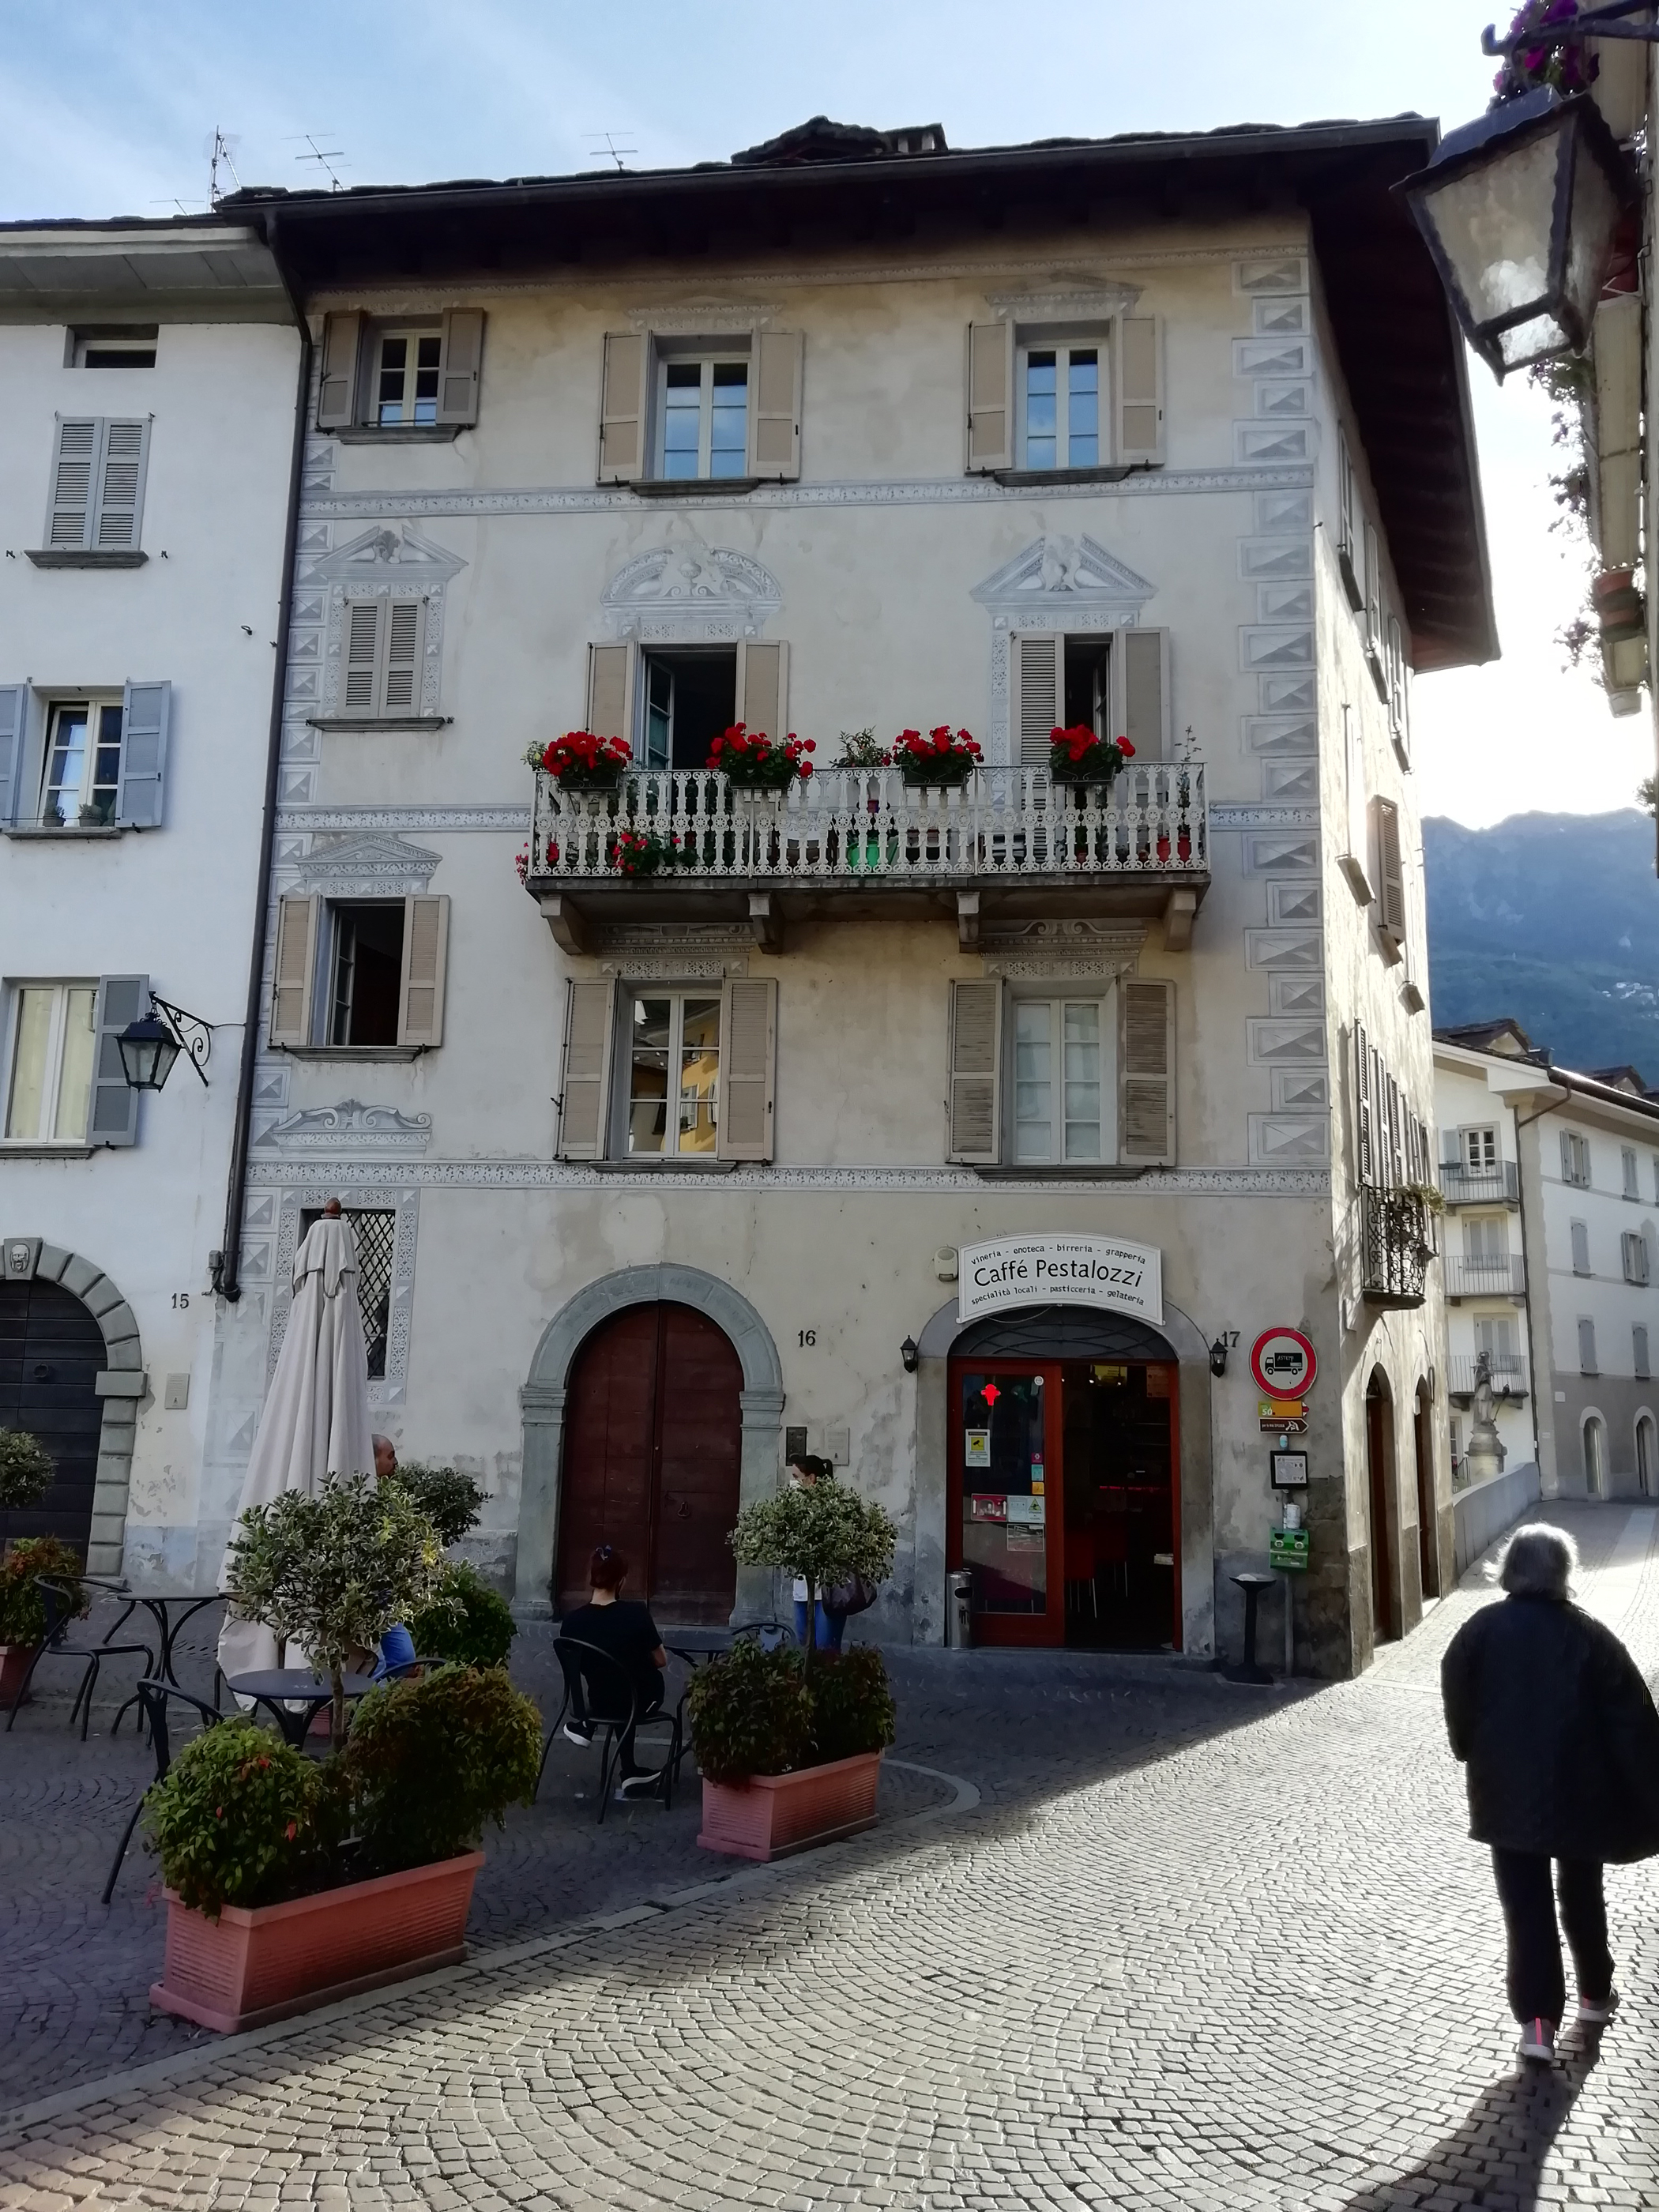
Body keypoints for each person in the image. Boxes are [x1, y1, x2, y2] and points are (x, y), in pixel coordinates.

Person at [1441, 1522, 1659, 2064]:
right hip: (1579, 1793)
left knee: (1525, 1905)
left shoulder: (1479, 1629)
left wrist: (1468, 1747)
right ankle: (1594, 1992)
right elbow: (1634, 1722)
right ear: (1563, 1574)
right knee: (1582, 1894)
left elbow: (1456, 1693)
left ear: (1510, 1570)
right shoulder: (1591, 1637)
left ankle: (1536, 2023)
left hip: (1504, 1793)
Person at [559, 1544, 670, 1799]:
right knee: (631, 1688)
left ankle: (590, 1728)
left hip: (599, 1703)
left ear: (592, 1576)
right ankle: (630, 1771)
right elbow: (661, 1660)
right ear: (623, 1579)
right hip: (640, 1701)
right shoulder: (636, 1615)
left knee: (616, 1687)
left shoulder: (572, 1622)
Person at [787, 1454, 848, 1653]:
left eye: (797, 1477)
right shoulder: (795, 1505)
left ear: (811, 1478)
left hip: (828, 1591)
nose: (793, 1483)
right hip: (802, 1587)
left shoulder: (833, 1505)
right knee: (805, 1646)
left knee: (825, 1648)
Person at [371, 1433, 417, 1678]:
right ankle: (371, 1710)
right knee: (374, 1665)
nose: (396, 1462)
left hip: (385, 1600)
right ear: (374, 1460)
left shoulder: (387, 1497)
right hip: (362, 1602)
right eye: (391, 1456)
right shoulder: (358, 1498)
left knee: (404, 1658)